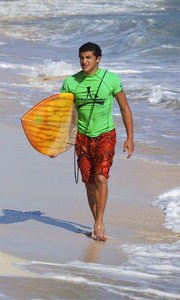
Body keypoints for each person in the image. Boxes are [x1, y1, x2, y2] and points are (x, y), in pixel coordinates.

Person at [60, 42, 134, 241]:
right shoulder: (70, 83)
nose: (84, 61)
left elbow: (125, 108)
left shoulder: (111, 80)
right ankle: (97, 220)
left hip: (105, 135)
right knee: (89, 183)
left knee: (101, 178)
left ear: (98, 59)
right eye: (82, 58)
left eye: (88, 58)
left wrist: (130, 138)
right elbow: (62, 114)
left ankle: (99, 222)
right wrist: (57, 143)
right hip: (82, 138)